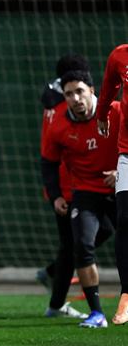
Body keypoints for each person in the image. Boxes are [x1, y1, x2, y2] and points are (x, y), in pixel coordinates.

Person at [42, 70, 120, 328]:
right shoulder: (58, 127)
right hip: (86, 192)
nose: (75, 98)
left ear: (92, 91)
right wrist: (55, 196)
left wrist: (122, 172)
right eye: (69, 94)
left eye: (80, 92)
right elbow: (48, 164)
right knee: (82, 246)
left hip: (121, 187)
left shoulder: (118, 112)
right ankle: (97, 313)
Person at [95, 43, 128, 325]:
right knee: (124, 218)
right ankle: (127, 292)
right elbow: (108, 89)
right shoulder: (120, 55)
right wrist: (102, 114)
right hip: (127, 152)